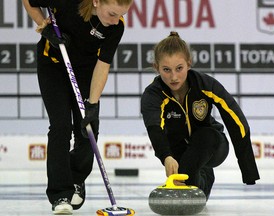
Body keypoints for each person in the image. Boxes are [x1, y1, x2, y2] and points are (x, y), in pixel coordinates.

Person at [22, 0, 133, 214]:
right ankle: (59, 194)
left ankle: (75, 178)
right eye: (111, 13)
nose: (114, 20)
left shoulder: (116, 26)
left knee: (88, 129)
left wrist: (92, 104)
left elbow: (103, 64)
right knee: (61, 126)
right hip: (52, 66)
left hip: (86, 72)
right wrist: (44, 28)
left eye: (120, 15)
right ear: (96, 2)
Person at [141, 31, 260, 200]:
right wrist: (166, 156)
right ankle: (201, 184)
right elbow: (155, 129)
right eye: (166, 70)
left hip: (212, 145)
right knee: (192, 188)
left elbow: (236, 121)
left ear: (189, 64)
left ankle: (187, 183)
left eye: (179, 68)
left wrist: (248, 171)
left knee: (205, 136)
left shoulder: (206, 84)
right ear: (156, 68)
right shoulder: (152, 95)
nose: (173, 77)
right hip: (179, 150)